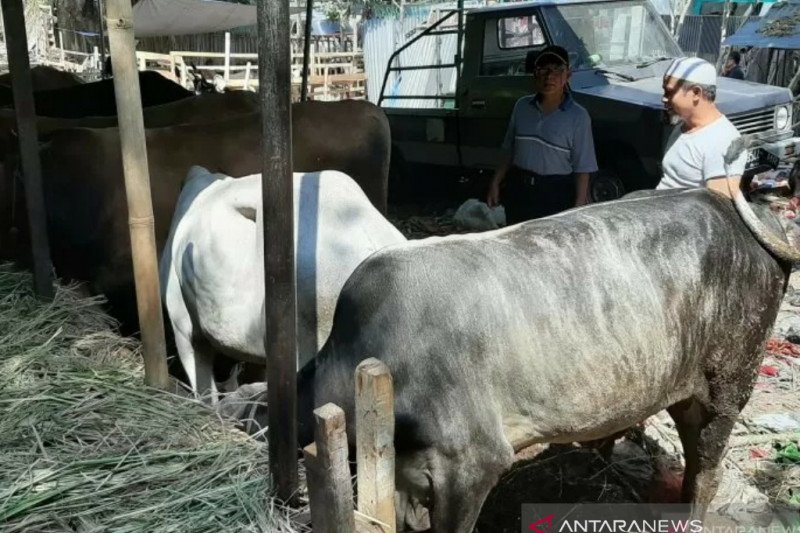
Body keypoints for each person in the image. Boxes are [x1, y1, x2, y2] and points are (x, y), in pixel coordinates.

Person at [487, 45, 597, 224]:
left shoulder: (578, 116)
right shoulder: (522, 107)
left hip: (555, 193)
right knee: (518, 244)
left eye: (557, 70)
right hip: (520, 190)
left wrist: (579, 205)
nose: (549, 76)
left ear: (567, 75)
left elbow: (582, 167)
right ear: (535, 74)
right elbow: (509, 150)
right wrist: (495, 182)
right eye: (543, 69)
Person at [657, 57, 747, 198]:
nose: (664, 98)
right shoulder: (682, 126)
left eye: (669, 92)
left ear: (696, 93)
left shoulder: (722, 141)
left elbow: (719, 209)